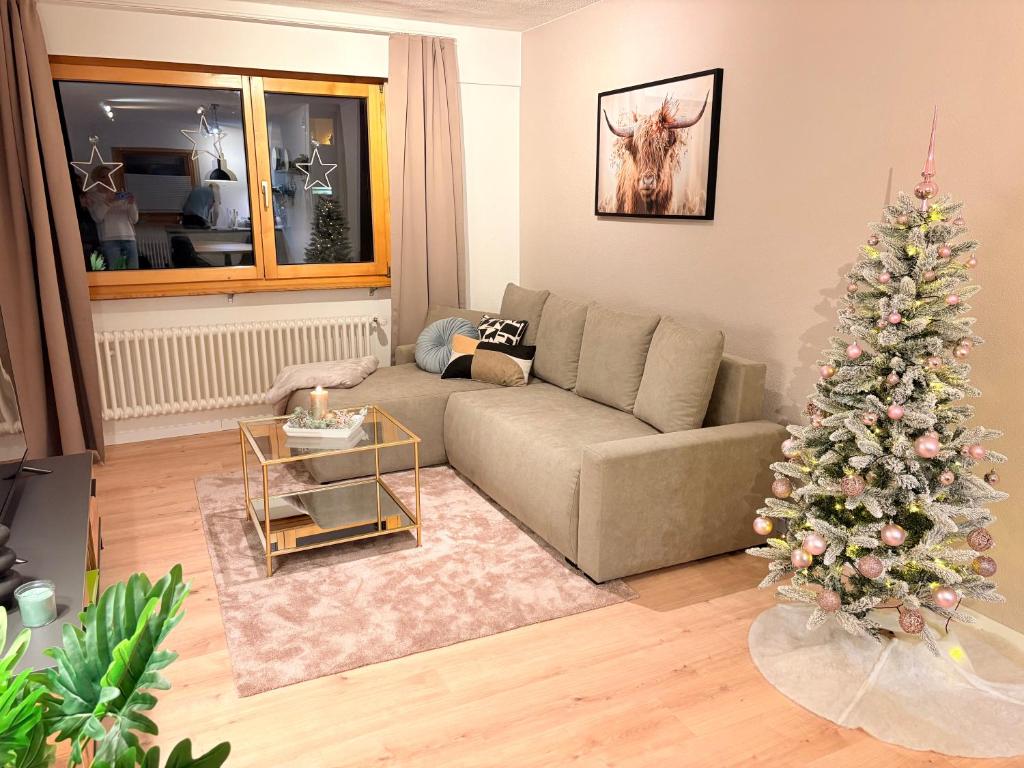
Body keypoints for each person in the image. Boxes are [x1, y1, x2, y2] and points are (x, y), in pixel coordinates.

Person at [83, 188, 139, 269]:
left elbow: (135, 219)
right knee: (116, 271)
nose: (108, 183)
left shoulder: (122, 196)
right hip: (109, 240)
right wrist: (108, 202)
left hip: (129, 237)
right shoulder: (93, 196)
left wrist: (132, 204)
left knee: (134, 270)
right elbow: (97, 218)